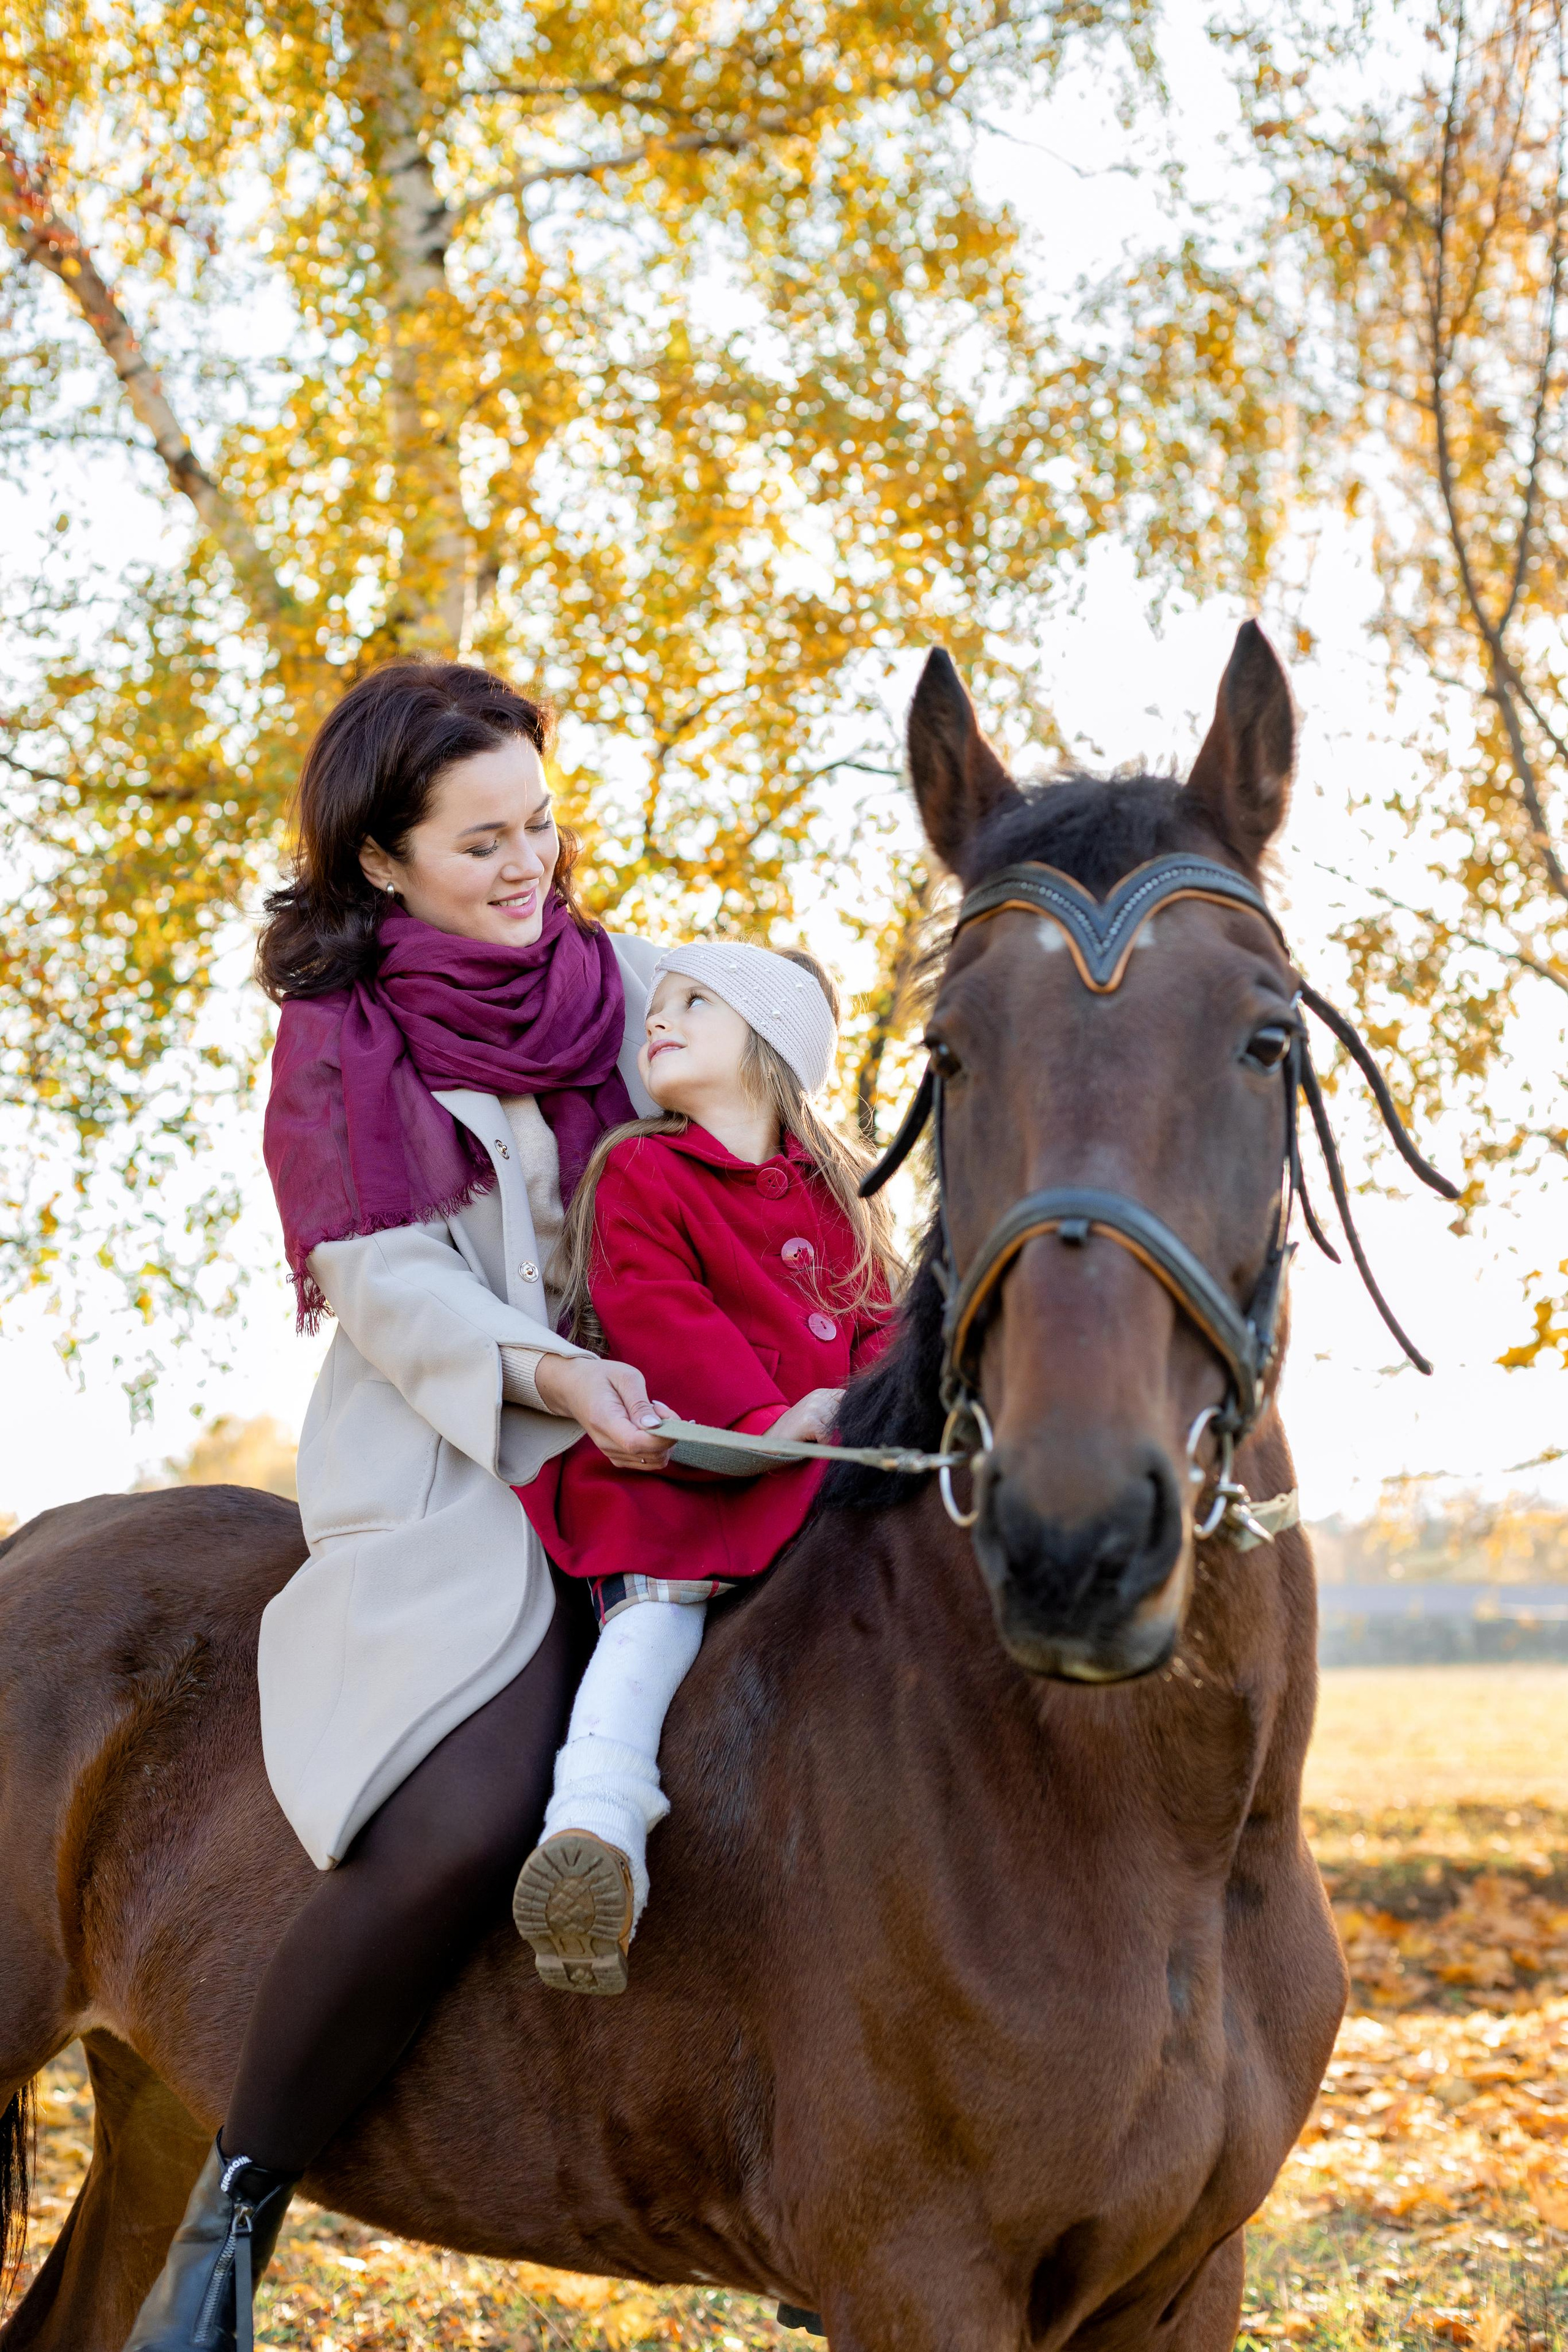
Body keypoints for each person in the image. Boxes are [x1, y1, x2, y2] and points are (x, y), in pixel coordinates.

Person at [127, 661, 677, 2352]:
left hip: (677, 1429)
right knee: (459, 1821)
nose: (532, 869)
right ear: (384, 862)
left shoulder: (632, 986)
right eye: (483, 844)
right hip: (472, 1468)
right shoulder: (340, 1043)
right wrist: (556, 1374)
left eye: (543, 827)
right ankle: (235, 2206)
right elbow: (381, 1286)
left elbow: (760, 1097)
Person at [511, 940, 899, 1996]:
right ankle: (594, 1828)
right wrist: (774, 1420)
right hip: (692, 1465)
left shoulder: (844, 1198)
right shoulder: (643, 1168)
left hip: (826, 1477)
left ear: (769, 1049)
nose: (660, 1016)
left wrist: (861, 1410)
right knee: (654, 1616)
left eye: (695, 1003)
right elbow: (655, 1309)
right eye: (661, 1002)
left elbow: (881, 1329)